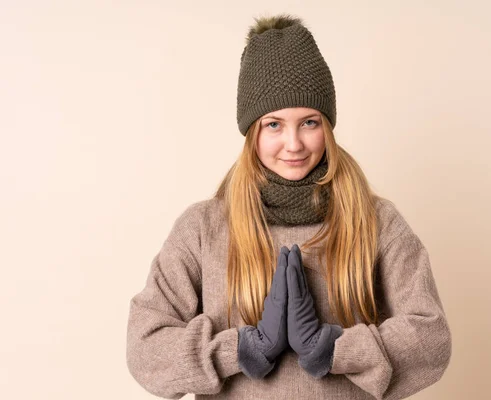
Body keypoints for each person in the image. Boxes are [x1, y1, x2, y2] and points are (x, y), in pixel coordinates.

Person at [126, 13, 452, 400]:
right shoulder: (203, 227)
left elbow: (431, 337)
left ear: (327, 126)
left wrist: (333, 349)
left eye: (309, 122)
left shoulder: (377, 222)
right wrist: (242, 348)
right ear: (252, 133)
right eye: (274, 125)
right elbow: (144, 348)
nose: (294, 143)